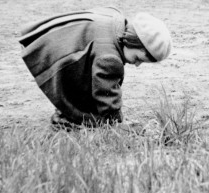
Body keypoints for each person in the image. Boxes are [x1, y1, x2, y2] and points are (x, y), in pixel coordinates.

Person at [18, 7, 172, 130]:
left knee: (89, 83)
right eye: (138, 58)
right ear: (132, 41)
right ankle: (65, 120)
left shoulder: (116, 20)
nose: (137, 64)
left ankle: (67, 114)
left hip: (60, 40)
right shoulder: (109, 58)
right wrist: (115, 122)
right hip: (60, 53)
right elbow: (107, 94)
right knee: (86, 110)